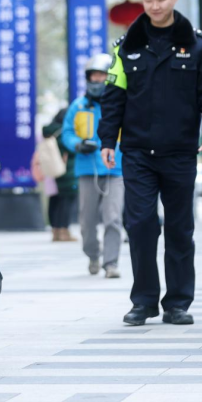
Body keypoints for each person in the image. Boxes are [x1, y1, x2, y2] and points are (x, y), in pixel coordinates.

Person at [98, 0, 202, 326]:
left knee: (180, 228)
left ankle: (178, 302)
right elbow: (114, 97)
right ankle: (143, 300)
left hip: (180, 153)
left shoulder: (199, 46)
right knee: (139, 224)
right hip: (137, 152)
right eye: (148, 0)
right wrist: (108, 139)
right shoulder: (127, 46)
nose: (154, 6)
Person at [61, 54, 124, 278]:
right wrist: (77, 145)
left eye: (102, 76)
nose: (98, 80)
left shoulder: (120, 104)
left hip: (115, 169)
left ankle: (111, 263)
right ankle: (93, 255)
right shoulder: (78, 106)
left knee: (113, 217)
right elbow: (66, 133)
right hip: (87, 170)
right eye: (94, 76)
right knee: (87, 221)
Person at [42, 108, 78, 243]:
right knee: (67, 201)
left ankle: (55, 231)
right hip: (66, 170)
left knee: (55, 201)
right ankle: (63, 231)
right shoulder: (64, 132)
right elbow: (71, 148)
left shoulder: (48, 131)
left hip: (53, 170)